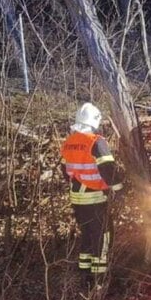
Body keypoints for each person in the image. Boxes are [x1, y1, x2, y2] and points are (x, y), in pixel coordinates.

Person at [60, 102, 123, 281]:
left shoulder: (70, 142)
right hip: (95, 197)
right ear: (94, 121)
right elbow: (108, 168)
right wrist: (118, 189)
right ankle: (100, 279)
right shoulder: (96, 142)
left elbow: (65, 170)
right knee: (102, 235)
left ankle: (85, 275)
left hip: (77, 197)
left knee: (87, 234)